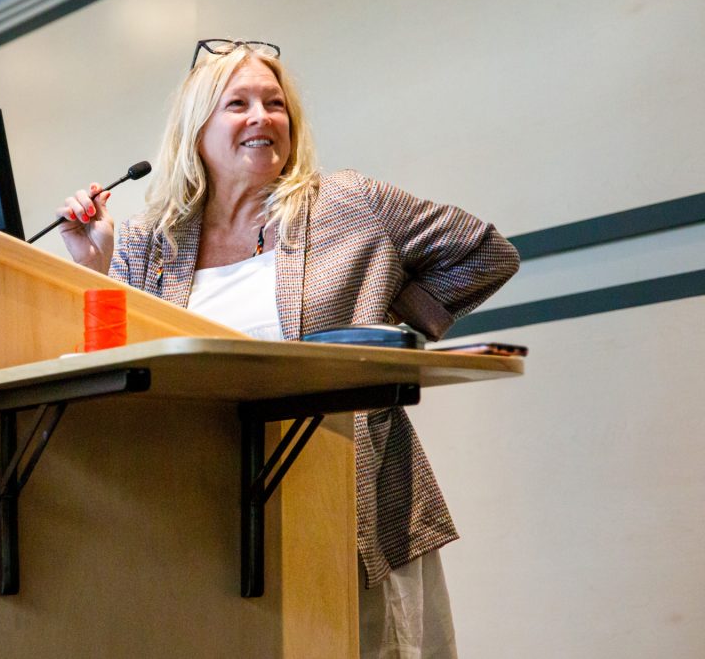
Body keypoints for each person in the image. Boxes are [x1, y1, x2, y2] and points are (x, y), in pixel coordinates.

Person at [56, 39, 519, 658]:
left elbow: (485, 253)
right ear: (195, 131)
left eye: (275, 104)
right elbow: (131, 369)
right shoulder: (149, 243)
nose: (262, 117)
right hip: (207, 520)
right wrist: (98, 264)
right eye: (237, 104)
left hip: (349, 511)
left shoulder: (348, 204)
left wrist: (383, 333)